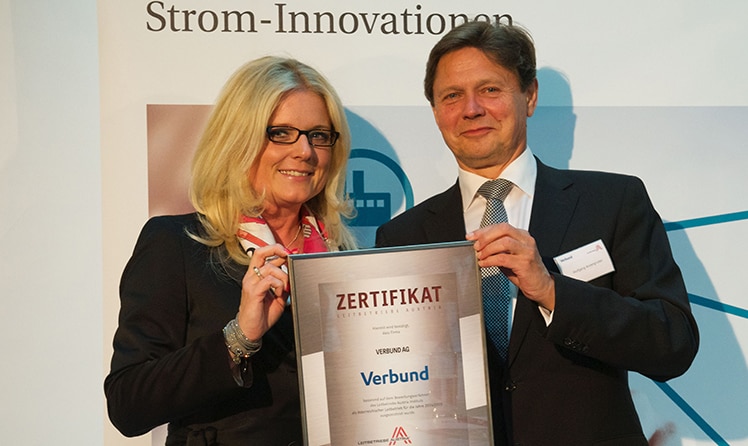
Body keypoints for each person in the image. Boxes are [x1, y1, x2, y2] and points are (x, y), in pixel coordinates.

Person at [375, 20, 699, 445]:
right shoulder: (403, 237)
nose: (471, 109)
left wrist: (551, 291)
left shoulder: (613, 201)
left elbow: (672, 344)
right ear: (436, 112)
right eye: (451, 96)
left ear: (529, 96)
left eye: (490, 89)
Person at [105, 56, 357, 445]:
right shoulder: (176, 244)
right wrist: (239, 337)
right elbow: (128, 403)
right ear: (239, 139)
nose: (305, 151)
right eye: (281, 133)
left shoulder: (345, 258)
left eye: (319, 135)